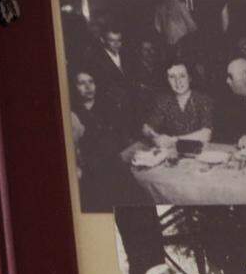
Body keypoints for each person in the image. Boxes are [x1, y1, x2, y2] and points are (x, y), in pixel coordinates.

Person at [68, 68, 135, 212]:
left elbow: (121, 138)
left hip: (114, 164)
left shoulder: (108, 107)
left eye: (91, 82)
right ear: (74, 87)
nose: (88, 87)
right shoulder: (72, 113)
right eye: (81, 83)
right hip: (90, 171)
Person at [143, 62, 215, 148]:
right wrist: (155, 137)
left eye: (182, 76)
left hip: (199, 151)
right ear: (167, 80)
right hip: (173, 153)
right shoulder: (164, 101)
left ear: (189, 78)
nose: (178, 81)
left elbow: (206, 135)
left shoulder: (202, 100)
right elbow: (146, 127)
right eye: (172, 77)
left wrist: (174, 140)